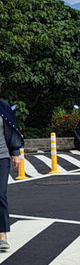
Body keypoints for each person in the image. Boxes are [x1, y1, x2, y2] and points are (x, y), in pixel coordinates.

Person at [0, 96, 24, 251]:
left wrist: (16, 152)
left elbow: (12, 129)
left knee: (0, 195)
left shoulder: (3, 106)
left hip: (1, 156)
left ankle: (2, 236)